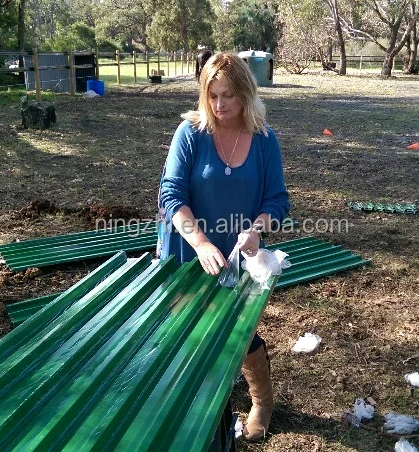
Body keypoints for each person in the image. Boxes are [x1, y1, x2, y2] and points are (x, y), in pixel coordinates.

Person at [157, 52, 290, 442]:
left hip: (239, 258)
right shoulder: (191, 133)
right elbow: (171, 194)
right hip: (188, 252)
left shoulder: (264, 139)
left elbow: (277, 201)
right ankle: (197, 407)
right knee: (189, 330)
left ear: (246, 93)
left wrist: (256, 228)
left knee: (238, 332)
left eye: (228, 95)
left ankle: (261, 402)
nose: (219, 104)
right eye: (212, 94)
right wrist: (198, 241)